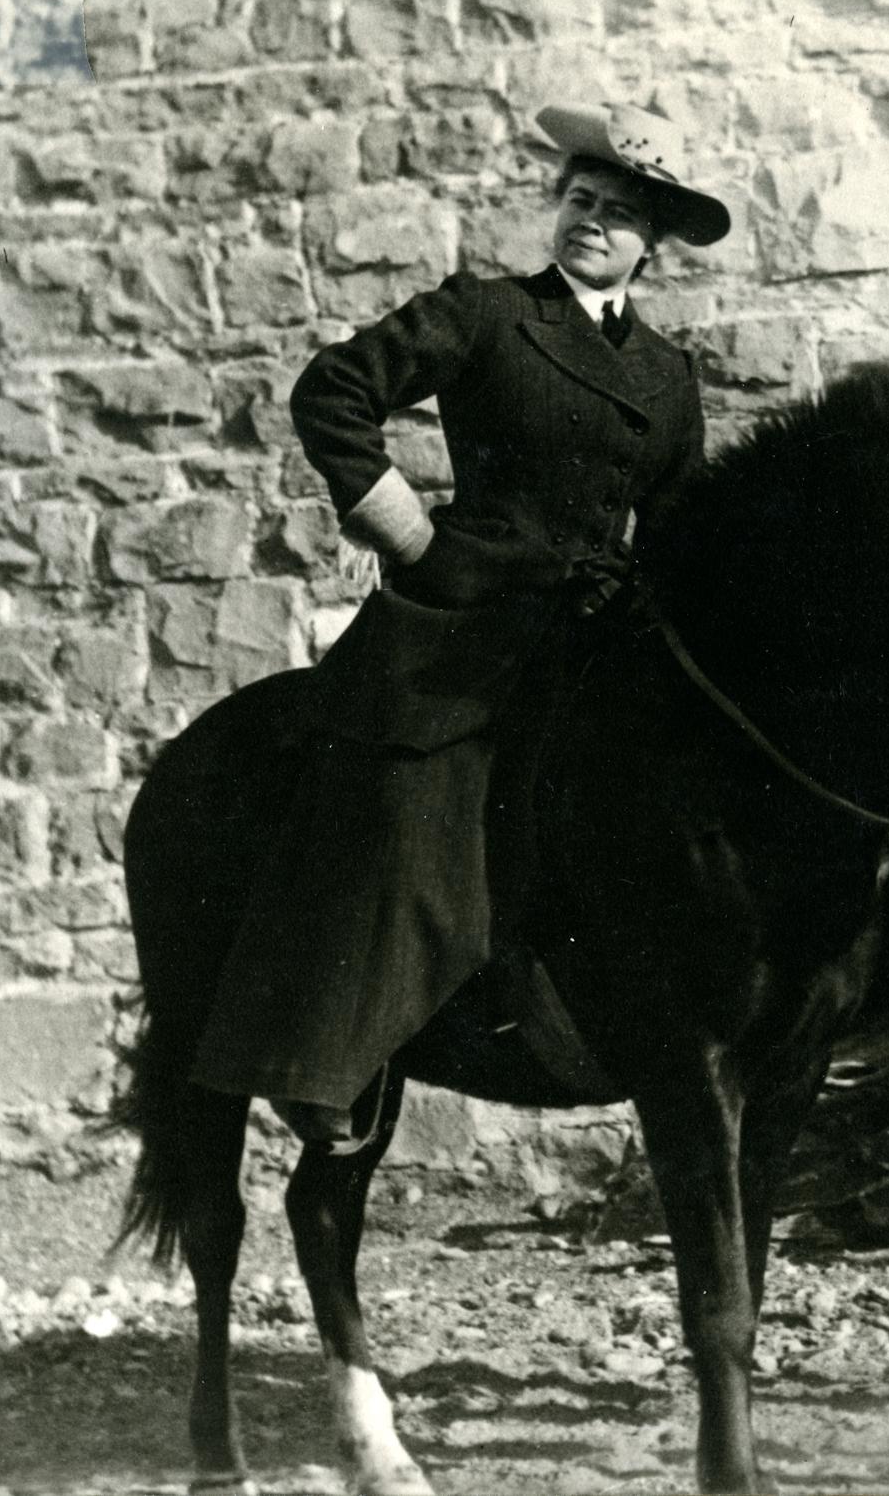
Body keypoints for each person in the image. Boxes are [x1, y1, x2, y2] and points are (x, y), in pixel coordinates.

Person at [191, 103, 731, 1146]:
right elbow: (333, 393)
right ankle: (330, 1060)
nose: (592, 223)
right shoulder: (484, 312)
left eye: (619, 214)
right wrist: (415, 538)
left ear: (651, 244)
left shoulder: (668, 375)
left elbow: (677, 518)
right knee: (415, 803)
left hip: (601, 626)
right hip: (467, 621)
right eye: (578, 200)